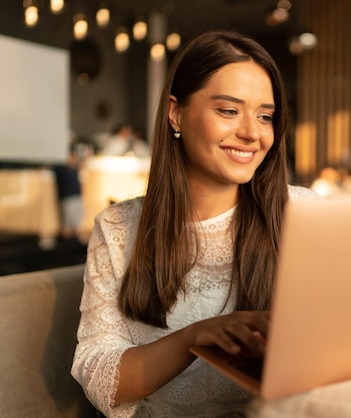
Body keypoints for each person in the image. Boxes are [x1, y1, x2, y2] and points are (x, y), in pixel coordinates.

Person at [71, 30, 317, 417]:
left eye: (265, 116)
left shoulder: (301, 215)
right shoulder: (118, 228)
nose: (253, 133)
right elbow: (101, 380)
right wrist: (193, 338)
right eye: (229, 110)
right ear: (176, 112)